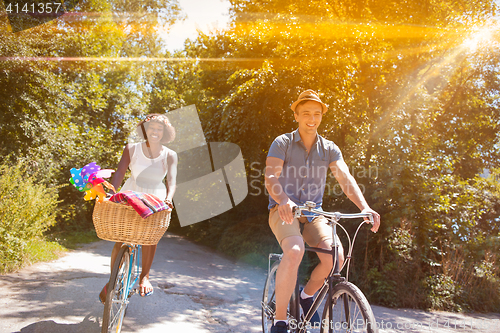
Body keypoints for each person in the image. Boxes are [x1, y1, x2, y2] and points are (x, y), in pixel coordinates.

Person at [264, 90, 381, 333]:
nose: (312, 118)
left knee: (335, 257)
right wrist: (283, 200)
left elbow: (344, 177)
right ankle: (280, 320)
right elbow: (270, 176)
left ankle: (306, 297)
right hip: (283, 209)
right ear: (296, 115)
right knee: (295, 251)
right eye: (306, 113)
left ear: (321, 117)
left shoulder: (329, 148)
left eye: (317, 114)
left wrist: (364, 207)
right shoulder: (283, 142)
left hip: (314, 213)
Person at [99, 113, 178, 303]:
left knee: (150, 236)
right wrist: (111, 192)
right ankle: (113, 279)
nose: (155, 132)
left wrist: (168, 198)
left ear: (164, 132)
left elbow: (172, 181)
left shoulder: (170, 155)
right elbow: (119, 172)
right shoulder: (131, 149)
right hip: (131, 191)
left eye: (159, 129)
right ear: (145, 129)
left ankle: (145, 276)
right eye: (152, 128)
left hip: (155, 195)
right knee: (122, 236)